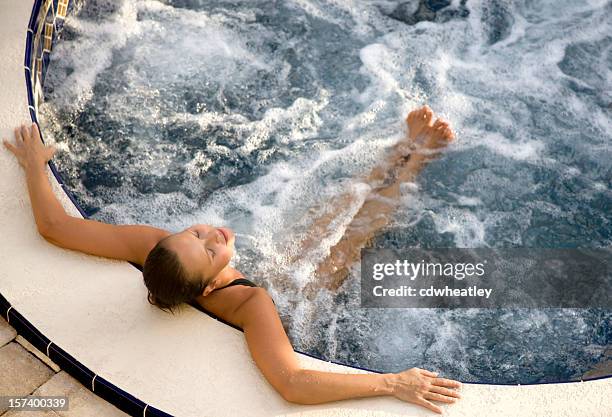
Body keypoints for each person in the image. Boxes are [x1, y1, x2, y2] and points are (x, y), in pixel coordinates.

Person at [3, 105, 460, 414]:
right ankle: (417, 159)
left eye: (195, 234)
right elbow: (292, 383)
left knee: (326, 217)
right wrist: (392, 384)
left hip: (255, 277)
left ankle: (402, 147)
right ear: (208, 287)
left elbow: (56, 228)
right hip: (297, 303)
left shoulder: (154, 247)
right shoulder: (250, 303)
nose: (211, 235)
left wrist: (35, 165)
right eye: (208, 250)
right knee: (349, 240)